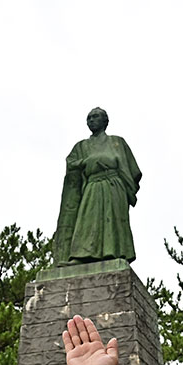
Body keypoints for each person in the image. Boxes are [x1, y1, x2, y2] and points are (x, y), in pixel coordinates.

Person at [53, 107, 141, 266]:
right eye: (89, 118)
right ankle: (81, 255)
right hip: (92, 185)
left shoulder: (117, 142)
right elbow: (71, 163)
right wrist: (84, 162)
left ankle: (115, 254)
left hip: (114, 186)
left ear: (105, 121)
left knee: (112, 220)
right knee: (86, 221)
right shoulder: (81, 146)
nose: (91, 120)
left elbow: (134, 171)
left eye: (95, 117)